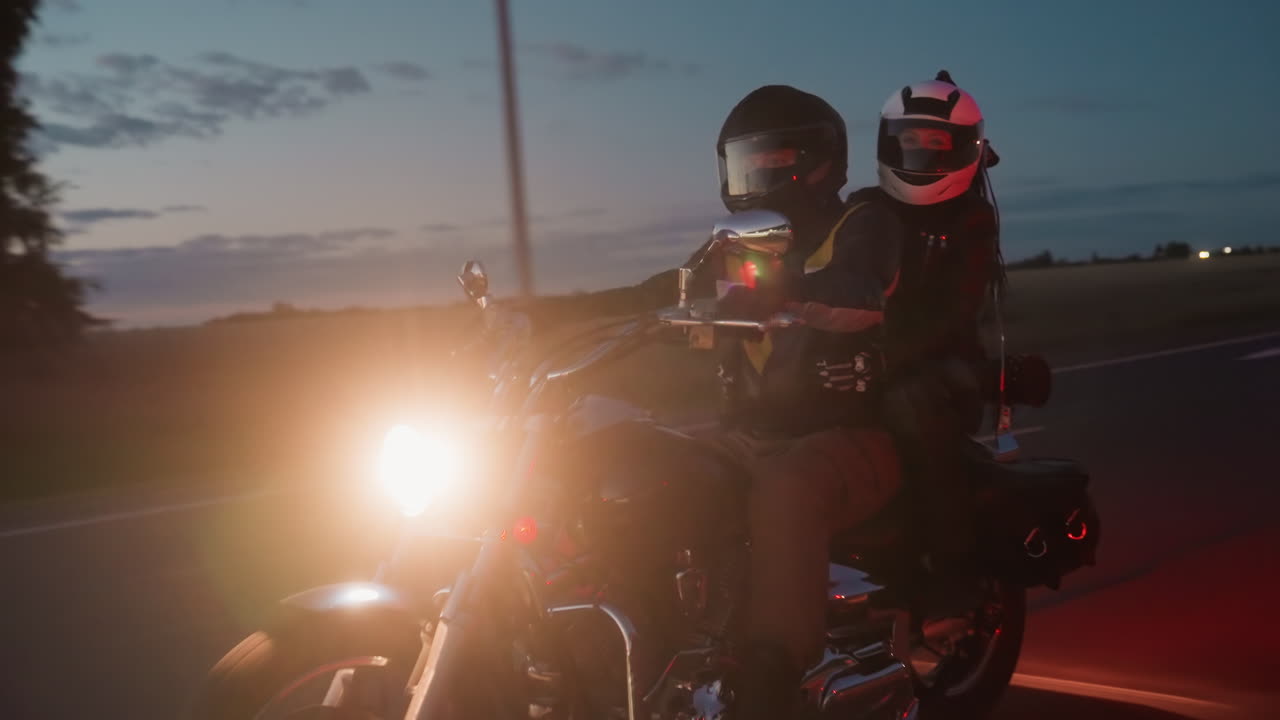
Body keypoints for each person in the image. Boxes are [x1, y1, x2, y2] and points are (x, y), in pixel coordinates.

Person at [696, 84, 907, 720]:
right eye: (746, 163)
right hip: (752, 433)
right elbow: (662, 290)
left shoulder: (864, 222)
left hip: (849, 437)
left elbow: (860, 292)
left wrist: (783, 292)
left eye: (773, 160)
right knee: (649, 461)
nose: (758, 175)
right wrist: (544, 319)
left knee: (786, 487)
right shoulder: (731, 245)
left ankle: (772, 673)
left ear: (820, 161)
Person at [848, 69, 1006, 610]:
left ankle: (952, 569)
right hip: (862, 349)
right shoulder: (866, 206)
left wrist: (892, 352)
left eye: (935, 142)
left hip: (944, 364)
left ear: (963, 148)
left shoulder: (971, 217)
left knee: (908, 407)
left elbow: (955, 310)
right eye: (907, 140)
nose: (918, 151)